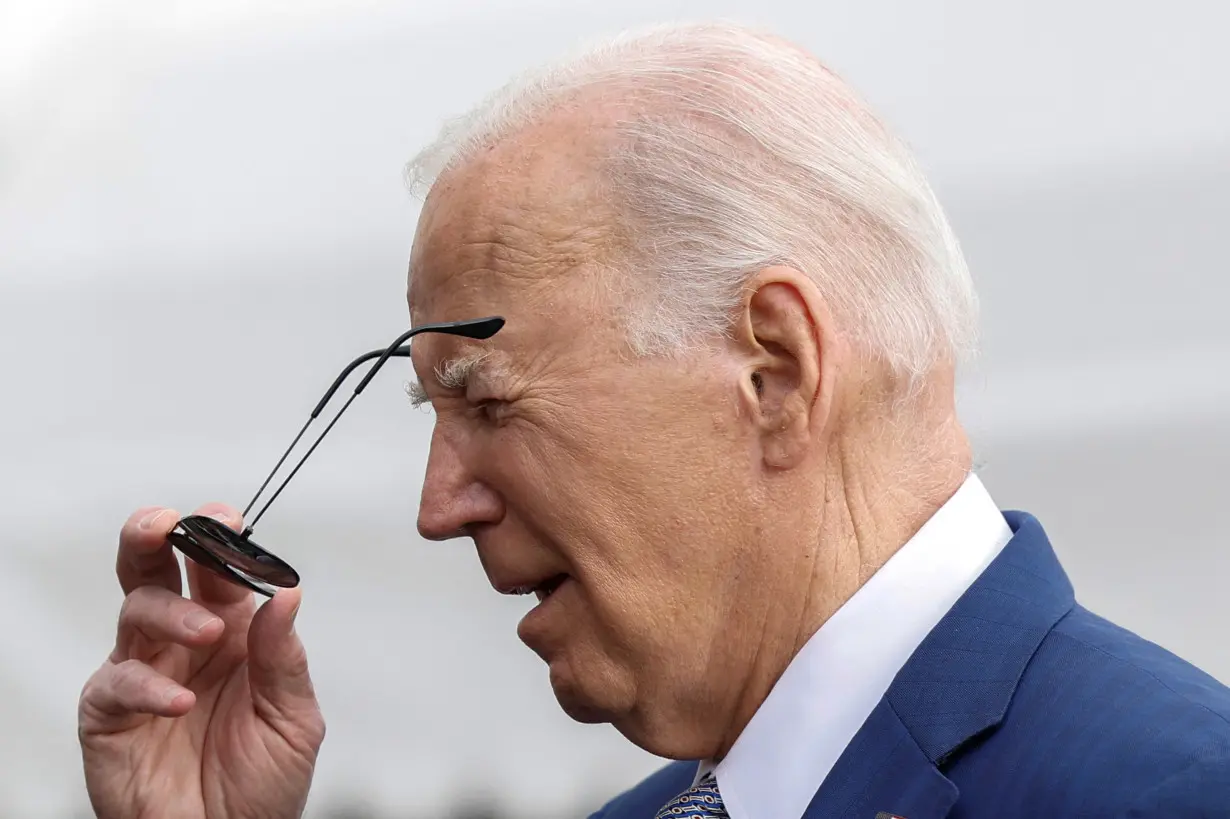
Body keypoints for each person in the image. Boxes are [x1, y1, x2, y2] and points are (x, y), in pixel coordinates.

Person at [77, 21, 1230, 819]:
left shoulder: (1169, 791)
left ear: (773, 370)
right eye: (433, 412)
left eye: (483, 397)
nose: (438, 508)